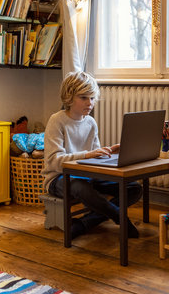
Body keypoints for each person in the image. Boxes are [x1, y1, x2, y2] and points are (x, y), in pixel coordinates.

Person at [42, 71, 142, 239]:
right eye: (84, 98)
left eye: (93, 98)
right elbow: (54, 162)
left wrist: (108, 152)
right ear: (69, 97)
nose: (90, 103)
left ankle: (85, 223)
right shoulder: (56, 120)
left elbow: (93, 158)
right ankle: (120, 218)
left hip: (86, 175)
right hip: (58, 178)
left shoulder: (90, 122)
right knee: (81, 187)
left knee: (134, 188)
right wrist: (88, 155)